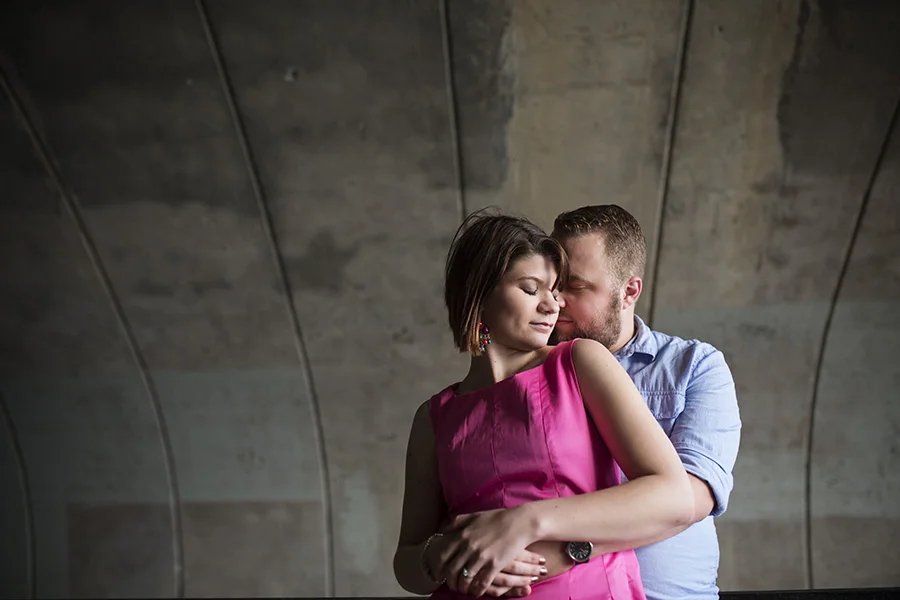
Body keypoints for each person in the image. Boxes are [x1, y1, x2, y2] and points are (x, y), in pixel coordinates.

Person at [393, 211, 695, 599]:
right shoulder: (433, 417)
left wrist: (524, 522)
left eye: (554, 290)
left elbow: (674, 496)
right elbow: (406, 561)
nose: (552, 305)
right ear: (479, 294)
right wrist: (439, 554)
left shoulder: (580, 362)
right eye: (531, 288)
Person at [549, 204, 742, 600]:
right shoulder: (528, 377)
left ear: (629, 291)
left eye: (576, 286)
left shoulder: (695, 367)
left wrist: (566, 550)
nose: (557, 301)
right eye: (553, 285)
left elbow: (689, 501)